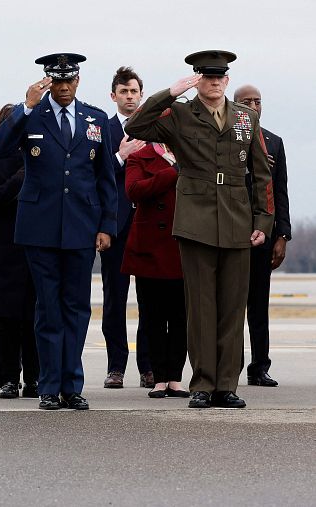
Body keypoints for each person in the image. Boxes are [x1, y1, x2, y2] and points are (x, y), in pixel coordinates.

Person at [125, 50, 273, 409]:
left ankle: (227, 384)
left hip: (237, 219)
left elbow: (261, 174)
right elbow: (135, 127)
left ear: (227, 80)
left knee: (233, 307)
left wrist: (263, 221)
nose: (215, 82)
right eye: (207, 77)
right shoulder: (179, 113)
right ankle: (203, 383)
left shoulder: (244, 118)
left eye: (220, 76)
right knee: (201, 306)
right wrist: (170, 92)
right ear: (197, 78)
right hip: (196, 220)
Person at [0, 53, 117, 410]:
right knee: (47, 309)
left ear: (77, 81)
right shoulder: (33, 114)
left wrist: (107, 225)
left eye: (69, 81)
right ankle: (48, 386)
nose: (63, 88)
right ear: (47, 82)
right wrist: (24, 107)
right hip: (40, 228)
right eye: (57, 82)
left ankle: (72, 385)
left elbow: (105, 177)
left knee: (77, 309)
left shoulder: (95, 118)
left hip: (81, 226)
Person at [0, 104, 40, 399]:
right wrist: (17, 180)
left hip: (34, 247)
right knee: (8, 319)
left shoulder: (36, 160)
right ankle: (8, 378)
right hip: (3, 250)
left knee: (32, 318)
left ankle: (34, 378)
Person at [233, 85, 292, 388]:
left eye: (258, 101)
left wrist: (282, 235)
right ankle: (232, 366)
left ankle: (259, 366)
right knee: (231, 304)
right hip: (230, 232)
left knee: (259, 303)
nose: (254, 105)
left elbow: (279, 191)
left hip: (263, 233)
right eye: (247, 102)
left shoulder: (274, 142)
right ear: (235, 106)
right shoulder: (228, 138)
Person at [121, 141, 189, 398]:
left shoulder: (189, 152)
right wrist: (172, 173)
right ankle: (159, 377)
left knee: (181, 317)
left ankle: (175, 377)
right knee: (153, 317)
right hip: (149, 248)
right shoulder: (141, 156)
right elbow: (134, 190)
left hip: (183, 244)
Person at [102, 67, 153, 389]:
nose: (129, 97)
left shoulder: (156, 129)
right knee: (114, 300)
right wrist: (120, 156)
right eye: (124, 92)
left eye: (134, 91)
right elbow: (94, 174)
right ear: (114, 96)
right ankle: (115, 367)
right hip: (116, 227)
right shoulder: (103, 130)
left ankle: (148, 367)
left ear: (141, 95)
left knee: (149, 301)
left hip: (149, 226)